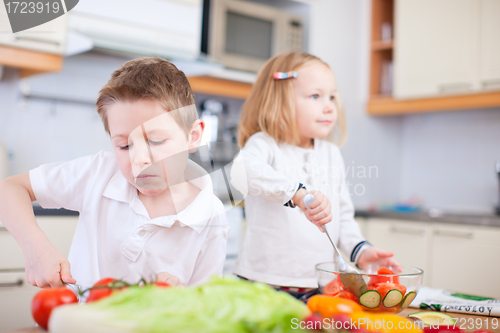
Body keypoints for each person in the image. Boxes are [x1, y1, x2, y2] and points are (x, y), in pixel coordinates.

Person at [0, 57, 229, 289]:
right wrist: (35, 248)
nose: (140, 159)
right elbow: (8, 189)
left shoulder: (210, 215)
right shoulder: (99, 173)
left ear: (193, 136)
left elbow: (203, 313)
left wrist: (173, 299)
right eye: (124, 146)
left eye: (156, 140)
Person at [230, 52, 400, 296]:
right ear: (280, 100)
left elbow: (342, 217)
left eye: (332, 96)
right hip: (263, 284)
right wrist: (297, 194)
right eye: (315, 96)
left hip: (319, 286)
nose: (329, 106)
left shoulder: (331, 153)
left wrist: (361, 251)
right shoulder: (264, 144)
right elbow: (243, 170)